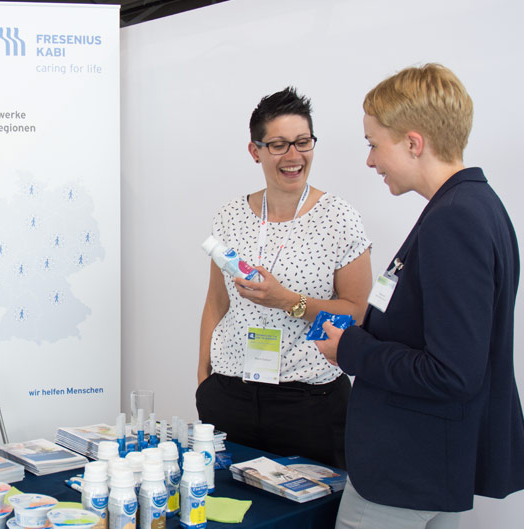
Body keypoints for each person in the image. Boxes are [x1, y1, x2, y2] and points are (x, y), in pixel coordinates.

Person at [317, 64, 524, 528]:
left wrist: (350, 348)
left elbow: (452, 372)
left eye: (373, 144)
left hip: (406, 466)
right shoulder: (475, 205)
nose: (370, 161)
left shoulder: (455, 219)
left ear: (413, 143)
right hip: (432, 463)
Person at [196, 87, 372, 469]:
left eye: (302, 142)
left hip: (309, 401)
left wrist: (287, 301)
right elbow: (217, 301)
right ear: (255, 151)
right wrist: (203, 376)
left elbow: (356, 312)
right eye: (278, 145)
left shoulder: (339, 218)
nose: (294, 156)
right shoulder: (229, 216)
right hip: (231, 393)